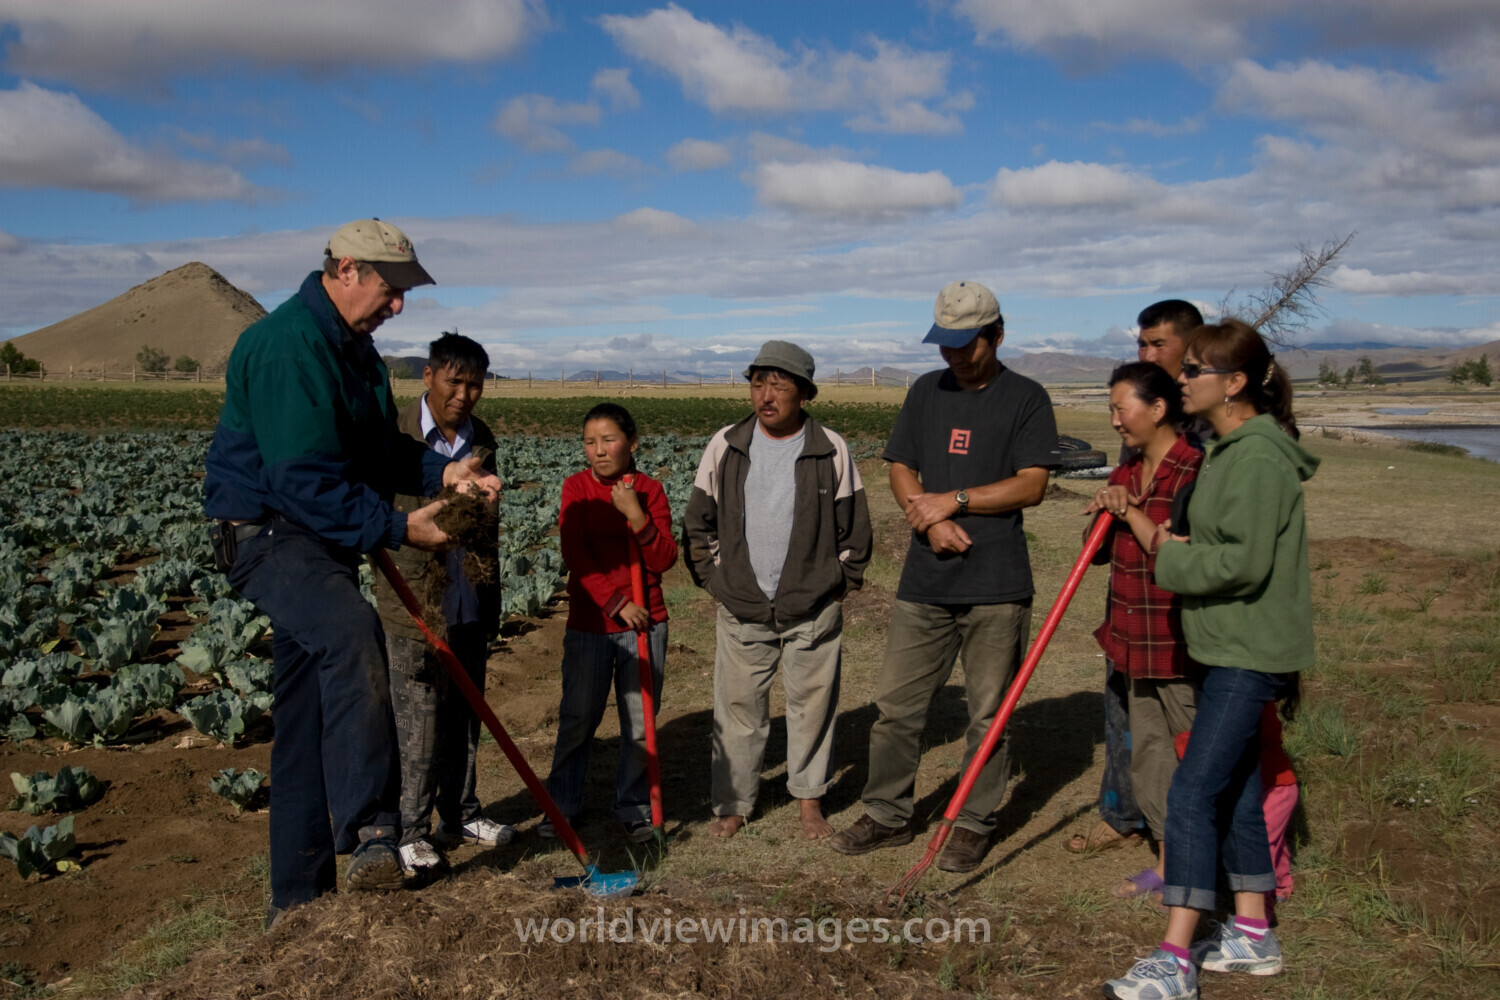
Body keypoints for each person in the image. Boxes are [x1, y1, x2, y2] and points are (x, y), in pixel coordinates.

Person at [203, 219, 499, 922]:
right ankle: (373, 830)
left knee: (304, 719)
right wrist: (398, 527)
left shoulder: (359, 358)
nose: (398, 306)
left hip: (318, 543)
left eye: (403, 293)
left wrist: (444, 473)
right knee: (354, 637)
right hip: (270, 538)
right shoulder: (285, 347)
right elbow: (301, 478)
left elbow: (378, 456)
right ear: (344, 270)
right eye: (391, 288)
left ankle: (297, 903)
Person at [1103, 320, 1316, 999]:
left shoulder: (1255, 457)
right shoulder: (1229, 449)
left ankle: (1174, 959)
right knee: (1239, 789)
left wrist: (1173, 552)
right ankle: (1252, 932)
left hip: (1247, 648)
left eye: (1194, 369)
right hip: (1226, 642)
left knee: (1193, 793)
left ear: (1235, 383)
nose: (1182, 377)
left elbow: (1244, 563)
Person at [829, 281, 1059, 873]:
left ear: (998, 334)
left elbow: (1032, 484)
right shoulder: (925, 392)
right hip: (925, 583)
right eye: (945, 343)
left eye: (966, 343)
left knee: (989, 714)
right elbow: (901, 466)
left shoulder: (1026, 397)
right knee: (898, 708)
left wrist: (952, 501)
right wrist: (927, 522)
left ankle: (974, 821)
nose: (953, 354)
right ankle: (887, 813)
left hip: (997, 584)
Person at [683, 341, 872, 840]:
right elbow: (699, 523)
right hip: (742, 603)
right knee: (738, 708)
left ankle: (809, 800)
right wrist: (716, 581)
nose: (766, 395)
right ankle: (735, 803)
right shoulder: (726, 443)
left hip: (811, 606)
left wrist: (838, 585)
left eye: (779, 384)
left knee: (812, 705)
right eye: (758, 382)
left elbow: (854, 528)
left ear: (804, 393)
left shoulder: (830, 447)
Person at [372, 333, 515, 873]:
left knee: (466, 714)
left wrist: (491, 589)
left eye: (475, 383)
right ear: (428, 376)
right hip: (414, 599)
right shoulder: (397, 435)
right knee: (419, 718)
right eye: (455, 381)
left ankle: (461, 812)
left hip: (468, 597)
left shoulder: (483, 438)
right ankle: (412, 828)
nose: (465, 393)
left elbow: (489, 523)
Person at [1070, 299, 1207, 856]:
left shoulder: (1202, 451)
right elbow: (1098, 549)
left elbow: (1193, 552)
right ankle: (1134, 818)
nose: (1148, 352)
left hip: (1178, 630)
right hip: (1128, 621)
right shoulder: (1131, 457)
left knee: (1188, 743)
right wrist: (1110, 508)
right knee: (1134, 729)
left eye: (1159, 345)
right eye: (1142, 344)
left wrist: (1133, 514)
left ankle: (1200, 854)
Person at [542, 403, 677, 843]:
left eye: (609, 440)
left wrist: (635, 515)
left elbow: (663, 558)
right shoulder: (576, 488)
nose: (598, 451)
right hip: (592, 624)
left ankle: (635, 806)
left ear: (632, 443)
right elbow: (575, 556)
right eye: (589, 442)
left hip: (646, 621)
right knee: (579, 716)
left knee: (640, 720)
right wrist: (617, 602)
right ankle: (561, 805)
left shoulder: (650, 491)